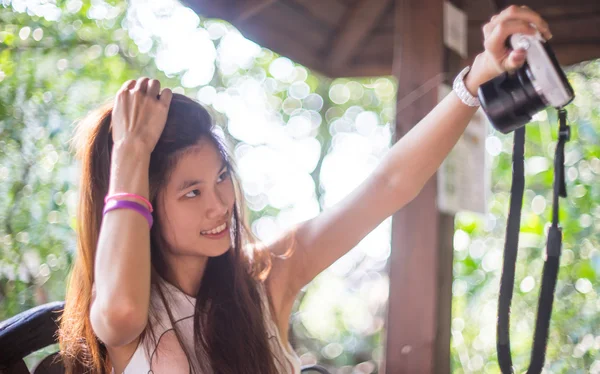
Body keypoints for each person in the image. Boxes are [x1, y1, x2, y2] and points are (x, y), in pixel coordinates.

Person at [57, 5, 553, 374]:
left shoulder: (262, 277)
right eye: (191, 193)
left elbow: (387, 185)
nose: (219, 205)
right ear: (139, 202)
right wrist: (129, 153)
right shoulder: (126, 320)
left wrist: (476, 79)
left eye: (222, 178)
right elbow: (121, 309)